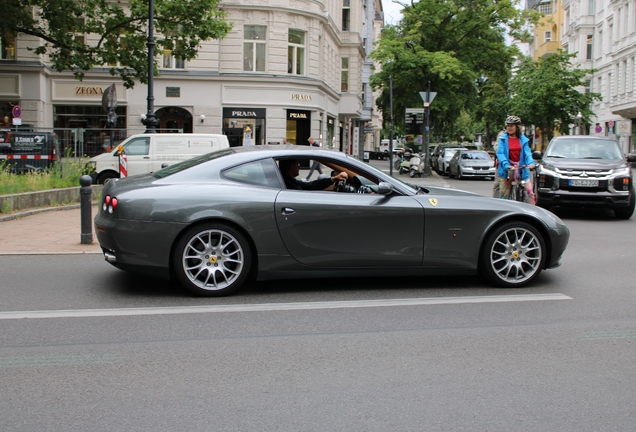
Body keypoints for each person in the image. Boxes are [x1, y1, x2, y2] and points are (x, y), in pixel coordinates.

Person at [496, 116, 536, 204]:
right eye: (508, 126)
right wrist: (507, 166)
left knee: (530, 193)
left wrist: (531, 163)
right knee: (503, 195)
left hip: (521, 168)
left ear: (517, 127)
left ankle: (532, 212)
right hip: (508, 169)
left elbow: (527, 154)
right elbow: (500, 153)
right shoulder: (503, 139)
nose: (509, 128)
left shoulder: (523, 140)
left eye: (512, 126)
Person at [279, 159, 347, 190]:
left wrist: (334, 179)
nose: (299, 167)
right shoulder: (290, 185)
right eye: (298, 165)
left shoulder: (287, 181)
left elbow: (309, 185)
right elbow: (309, 186)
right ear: (292, 168)